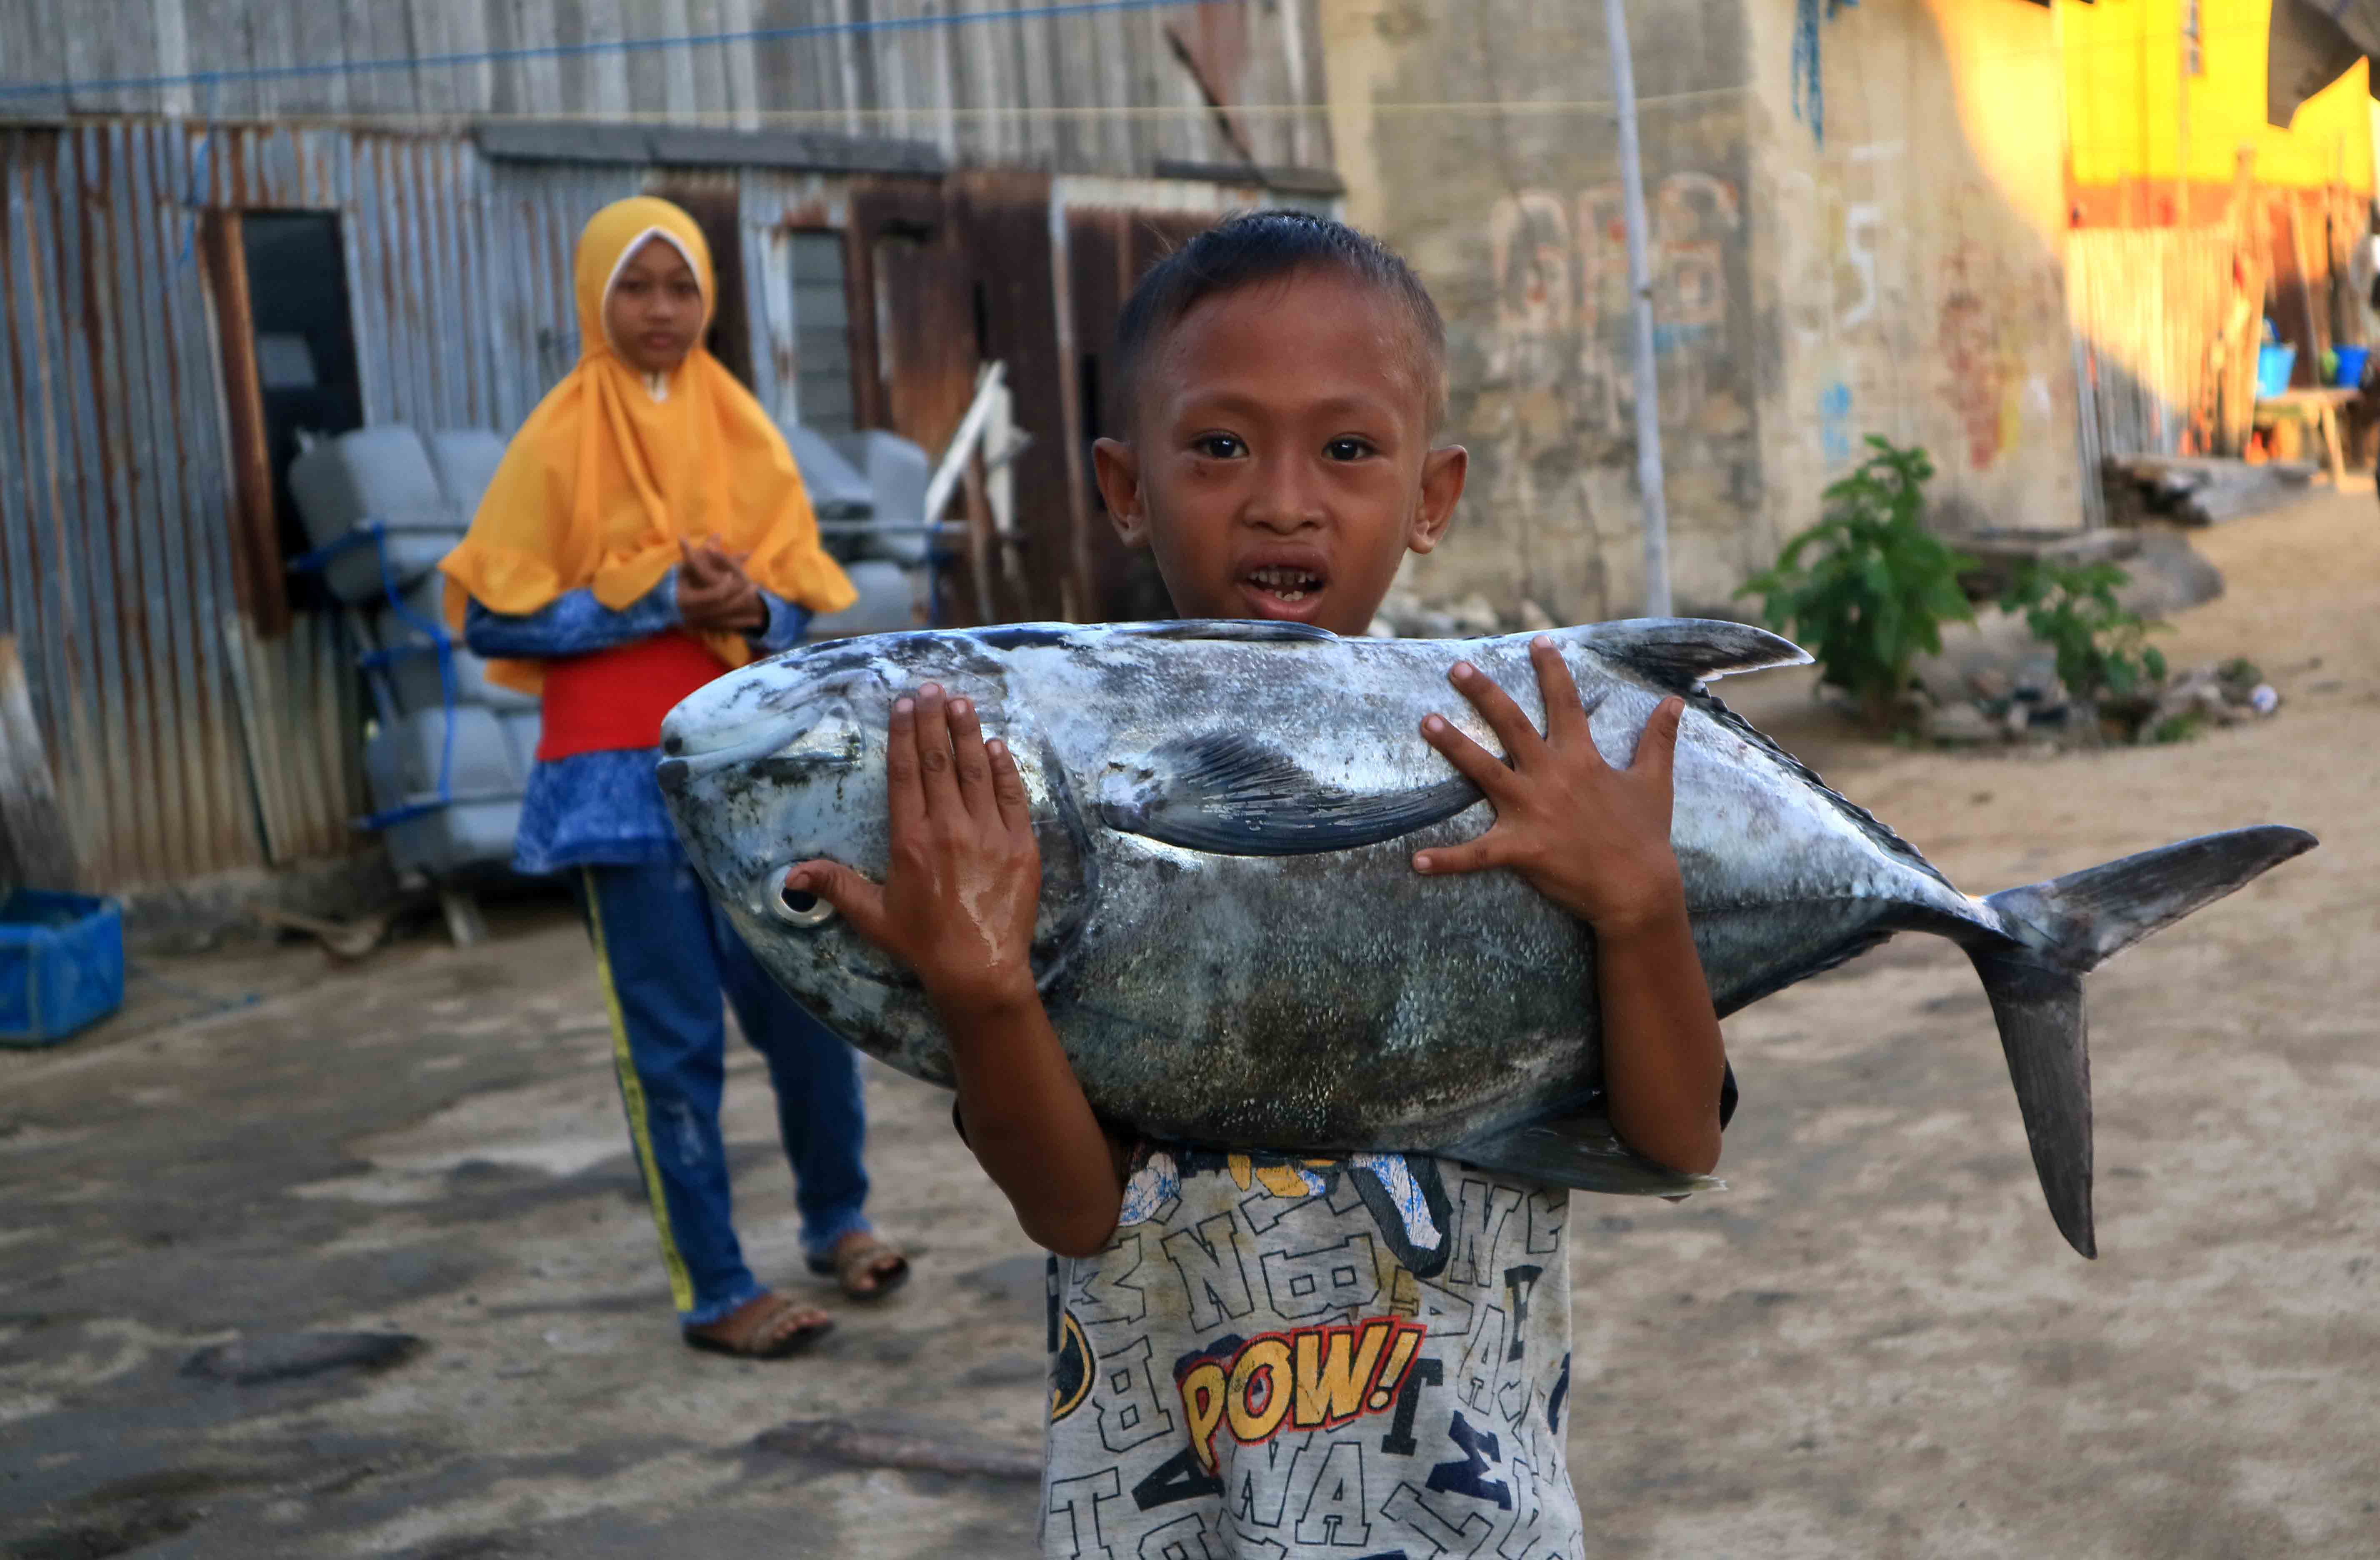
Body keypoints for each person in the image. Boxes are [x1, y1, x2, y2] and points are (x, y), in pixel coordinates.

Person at [790, 211, 1735, 1555]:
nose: (1283, 498)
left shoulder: (1511, 774)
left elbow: (1678, 1139)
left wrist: (1639, 905)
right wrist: (984, 987)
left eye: (1348, 450)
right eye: (1220, 446)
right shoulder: (1058, 782)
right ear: (1125, 484)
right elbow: (1073, 1210)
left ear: (1432, 495)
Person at [439, 196, 908, 1361]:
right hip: (615, 776)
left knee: (812, 1011)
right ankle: (715, 1288)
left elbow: (803, 596)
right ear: (598, 297)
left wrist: (747, 606)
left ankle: (837, 1219)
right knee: (672, 1043)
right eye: (637, 288)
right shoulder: (554, 440)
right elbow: (493, 607)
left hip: (753, 774)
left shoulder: (744, 427)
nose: (662, 311)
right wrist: (656, 601)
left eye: (682, 287)